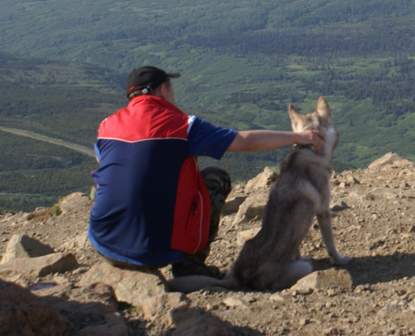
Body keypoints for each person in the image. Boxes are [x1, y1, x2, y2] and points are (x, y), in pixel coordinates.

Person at [88, 66, 324, 276]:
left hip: (104, 244)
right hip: (153, 250)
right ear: (162, 90)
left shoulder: (105, 126)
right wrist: (296, 136)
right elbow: (246, 142)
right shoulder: (182, 125)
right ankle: (190, 267)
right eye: (171, 88)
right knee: (215, 178)